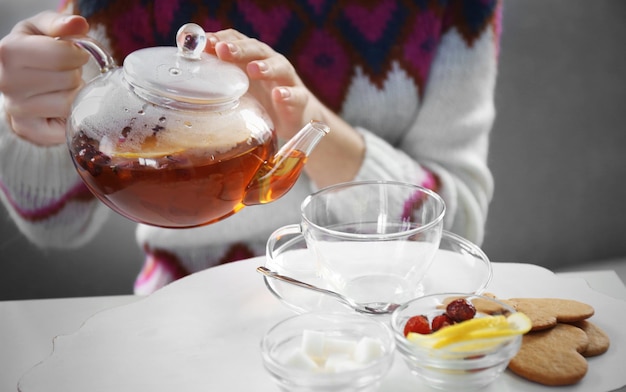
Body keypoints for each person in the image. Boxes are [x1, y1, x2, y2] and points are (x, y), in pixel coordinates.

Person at [0, 0, 501, 294]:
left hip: (378, 312)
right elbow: (55, 222)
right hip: (181, 314)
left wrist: (305, 118)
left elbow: (457, 230)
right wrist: (29, 111)